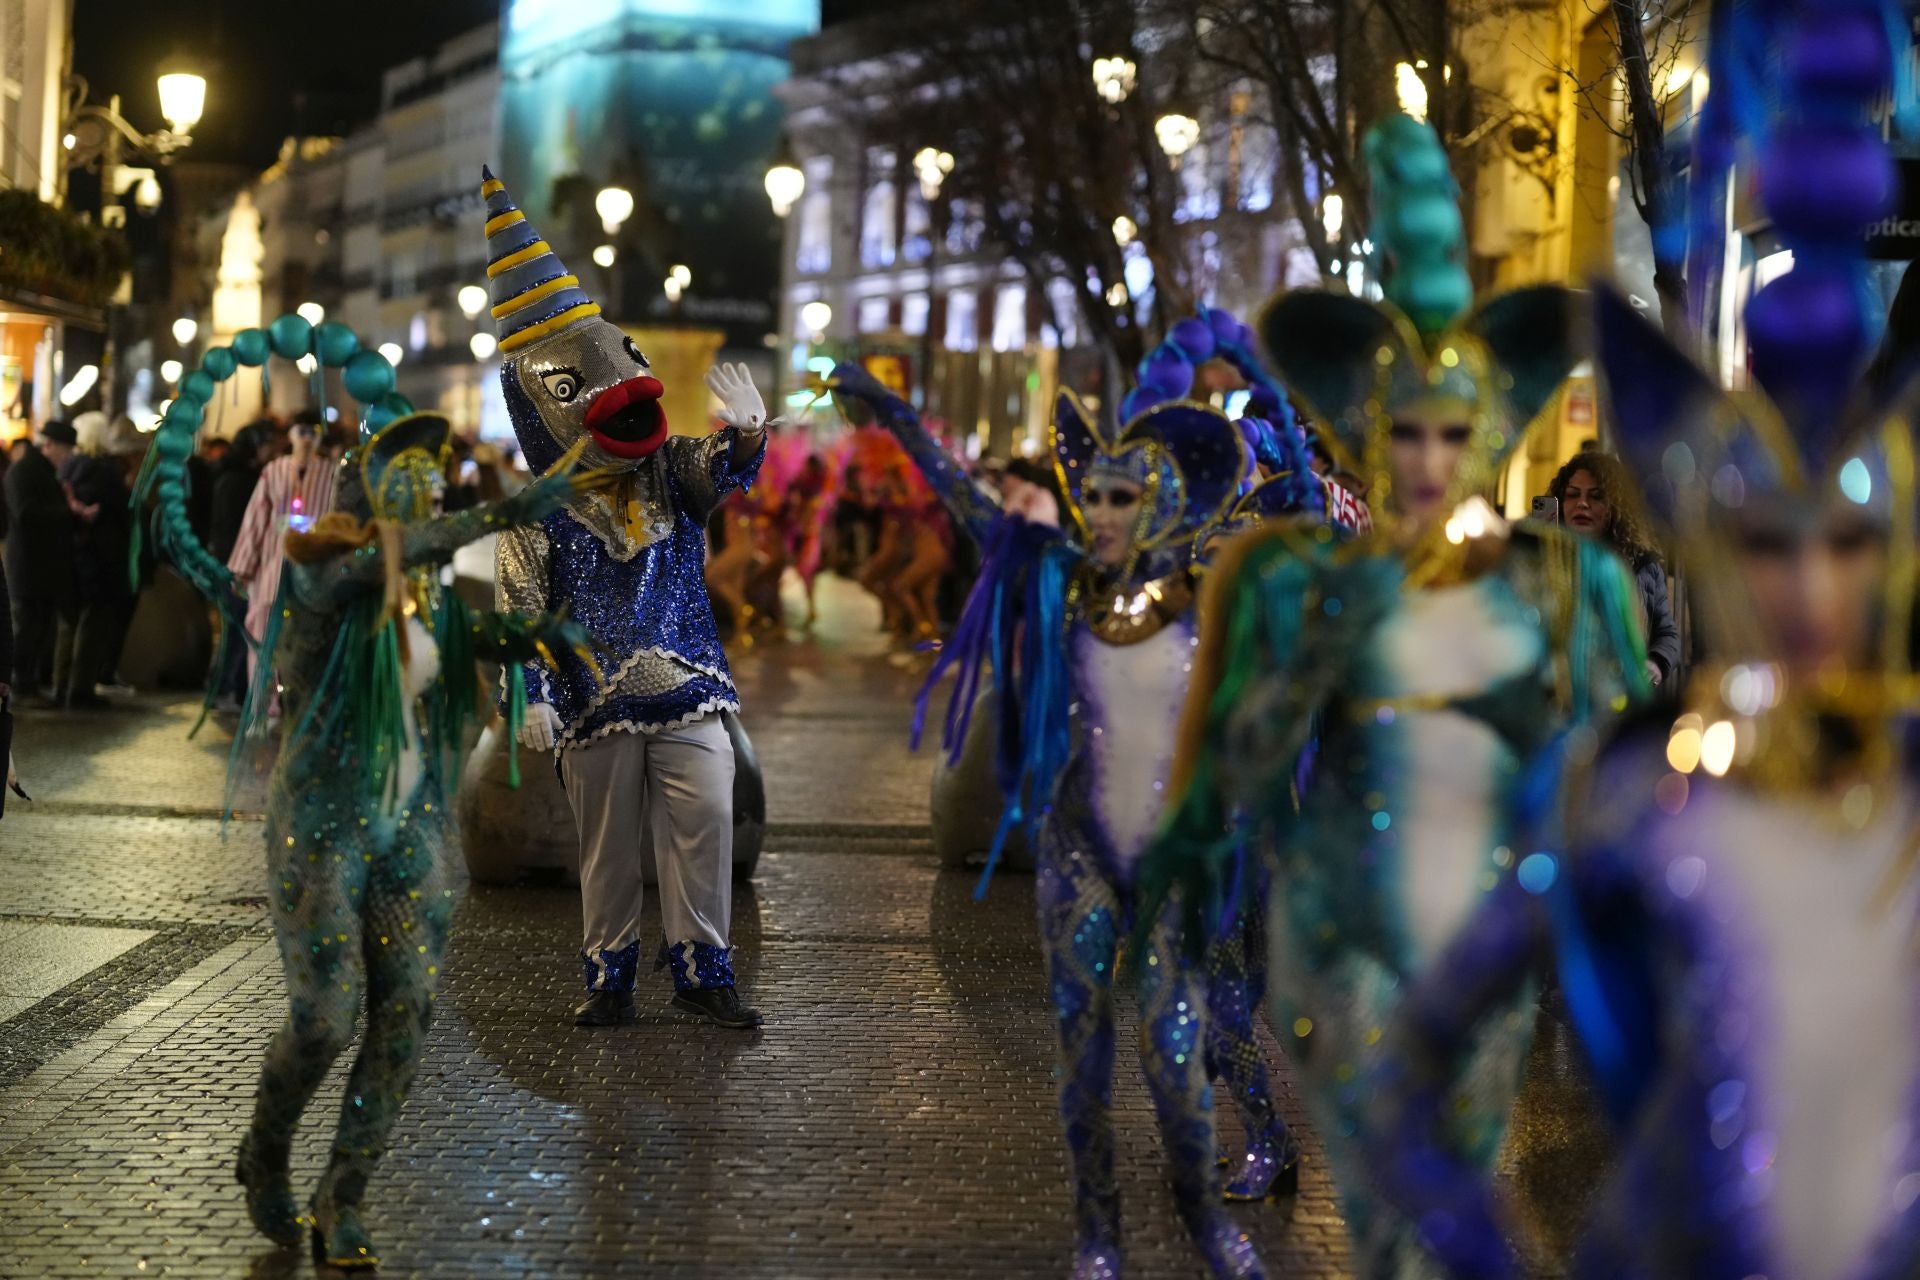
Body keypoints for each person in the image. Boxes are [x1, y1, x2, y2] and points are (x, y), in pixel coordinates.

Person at [1364, 19, 1920, 1277]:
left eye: (1847, 542)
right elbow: (1413, 1072)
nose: (1810, 585)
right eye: (1770, 544)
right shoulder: (1638, 792)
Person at [1145, 113, 1649, 1278]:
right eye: (1404, 432)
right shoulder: (1302, 577)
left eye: (1452, 432)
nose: (1427, 458)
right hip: (1342, 928)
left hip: (1485, 931)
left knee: (1456, 1180)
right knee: (1386, 1192)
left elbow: (1609, 759)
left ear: (1488, 434)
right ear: (1372, 434)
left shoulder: (1565, 583)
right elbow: (1241, 759)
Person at [832, 304, 1314, 1280]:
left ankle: (1229, 1191)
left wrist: (1275, 398)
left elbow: (1303, 521)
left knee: (1188, 1043)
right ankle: (1098, 1233)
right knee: (1085, 1055)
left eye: (1122, 498)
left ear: (1164, 507)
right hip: (1081, 848)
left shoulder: (1212, 586)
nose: (1100, 514)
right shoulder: (1057, 579)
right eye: (1091, 494)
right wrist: (893, 413)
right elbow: (967, 497)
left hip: (1187, 847)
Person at [225, 413, 592, 1269]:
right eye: (405, 475)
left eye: (434, 474)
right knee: (325, 1018)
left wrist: (545, 638)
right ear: (366, 489)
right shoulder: (325, 571)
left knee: (405, 1016)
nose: (426, 485)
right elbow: (373, 567)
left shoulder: (426, 589)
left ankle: (342, 1197)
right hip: (321, 823)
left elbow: (473, 638)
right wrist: (509, 510)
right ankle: (265, 1151)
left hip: (410, 826)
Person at [482, 167, 766, 1031]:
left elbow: (723, 469)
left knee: (709, 817)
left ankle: (700, 968)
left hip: (688, 688)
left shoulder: (672, 469)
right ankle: (608, 977)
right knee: (605, 850)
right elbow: (519, 610)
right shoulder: (535, 515)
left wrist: (748, 433)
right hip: (593, 700)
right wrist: (525, 695)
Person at [1550, 450, 1681, 687]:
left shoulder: (1643, 564)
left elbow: (1666, 634)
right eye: (1572, 494)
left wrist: (1656, 663)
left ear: (1616, 506)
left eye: (1596, 496)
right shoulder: (1542, 558)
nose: (1582, 504)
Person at [228, 414, 336, 693]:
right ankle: (263, 704)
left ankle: (304, 701)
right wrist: (242, 568)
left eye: (313, 432)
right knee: (263, 635)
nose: (307, 439)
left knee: (310, 639)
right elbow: (256, 519)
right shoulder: (273, 471)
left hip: (314, 571)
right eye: (301, 431)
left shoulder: (332, 473)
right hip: (272, 567)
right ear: (290, 435)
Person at [52, 417, 134, 708]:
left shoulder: (67, 469)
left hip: (71, 557)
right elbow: (118, 515)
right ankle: (80, 688)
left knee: (69, 624)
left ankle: (59, 686)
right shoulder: (105, 473)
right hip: (99, 560)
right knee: (92, 625)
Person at [4, 420, 81, 706]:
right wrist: (67, 513)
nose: (68, 456)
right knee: (26, 629)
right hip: (28, 567)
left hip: (42, 567)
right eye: (66, 450)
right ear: (49, 446)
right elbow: (25, 514)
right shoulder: (23, 472)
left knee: (37, 628)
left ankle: (29, 684)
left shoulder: (43, 472)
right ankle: (21, 687)